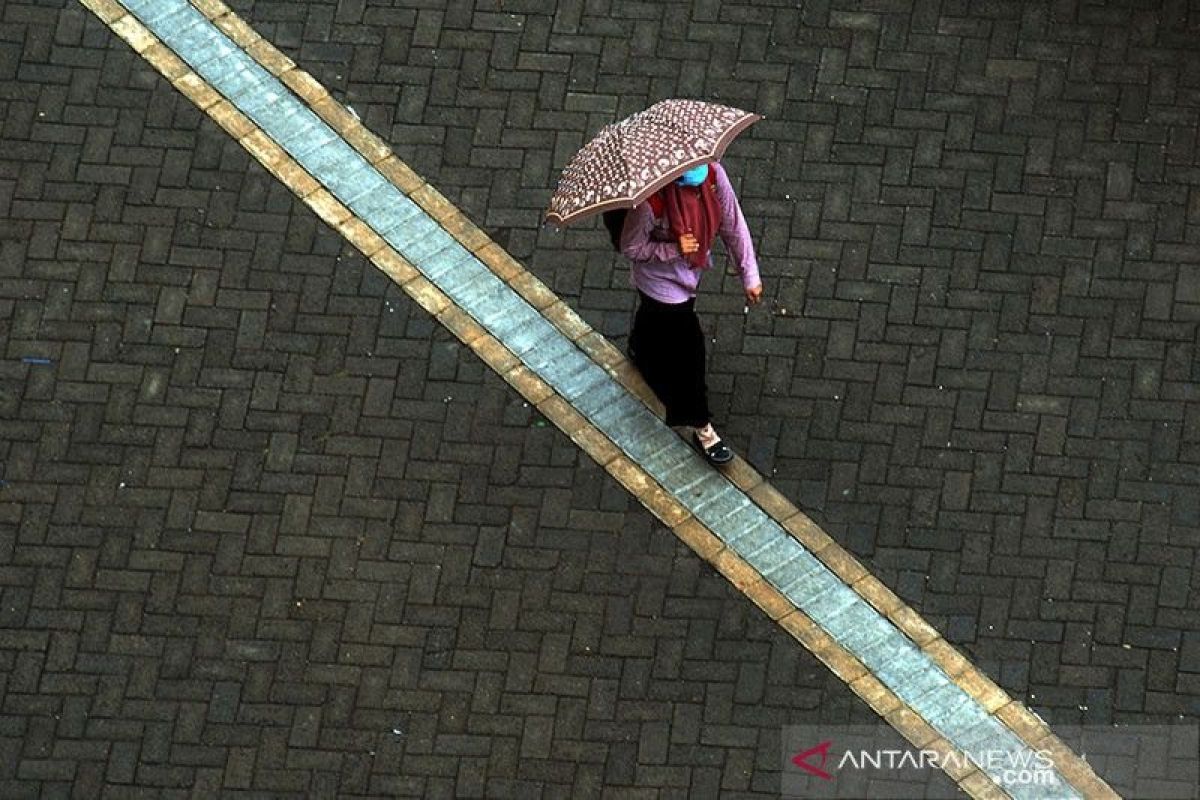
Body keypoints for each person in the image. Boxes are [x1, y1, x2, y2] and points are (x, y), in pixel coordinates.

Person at [618, 160, 763, 466]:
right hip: (660, 283)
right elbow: (631, 247)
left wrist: (749, 274)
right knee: (689, 352)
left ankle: (640, 347)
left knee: (654, 321)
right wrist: (675, 248)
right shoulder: (649, 202)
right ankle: (702, 427)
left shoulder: (712, 175)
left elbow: (732, 223)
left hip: (688, 276)